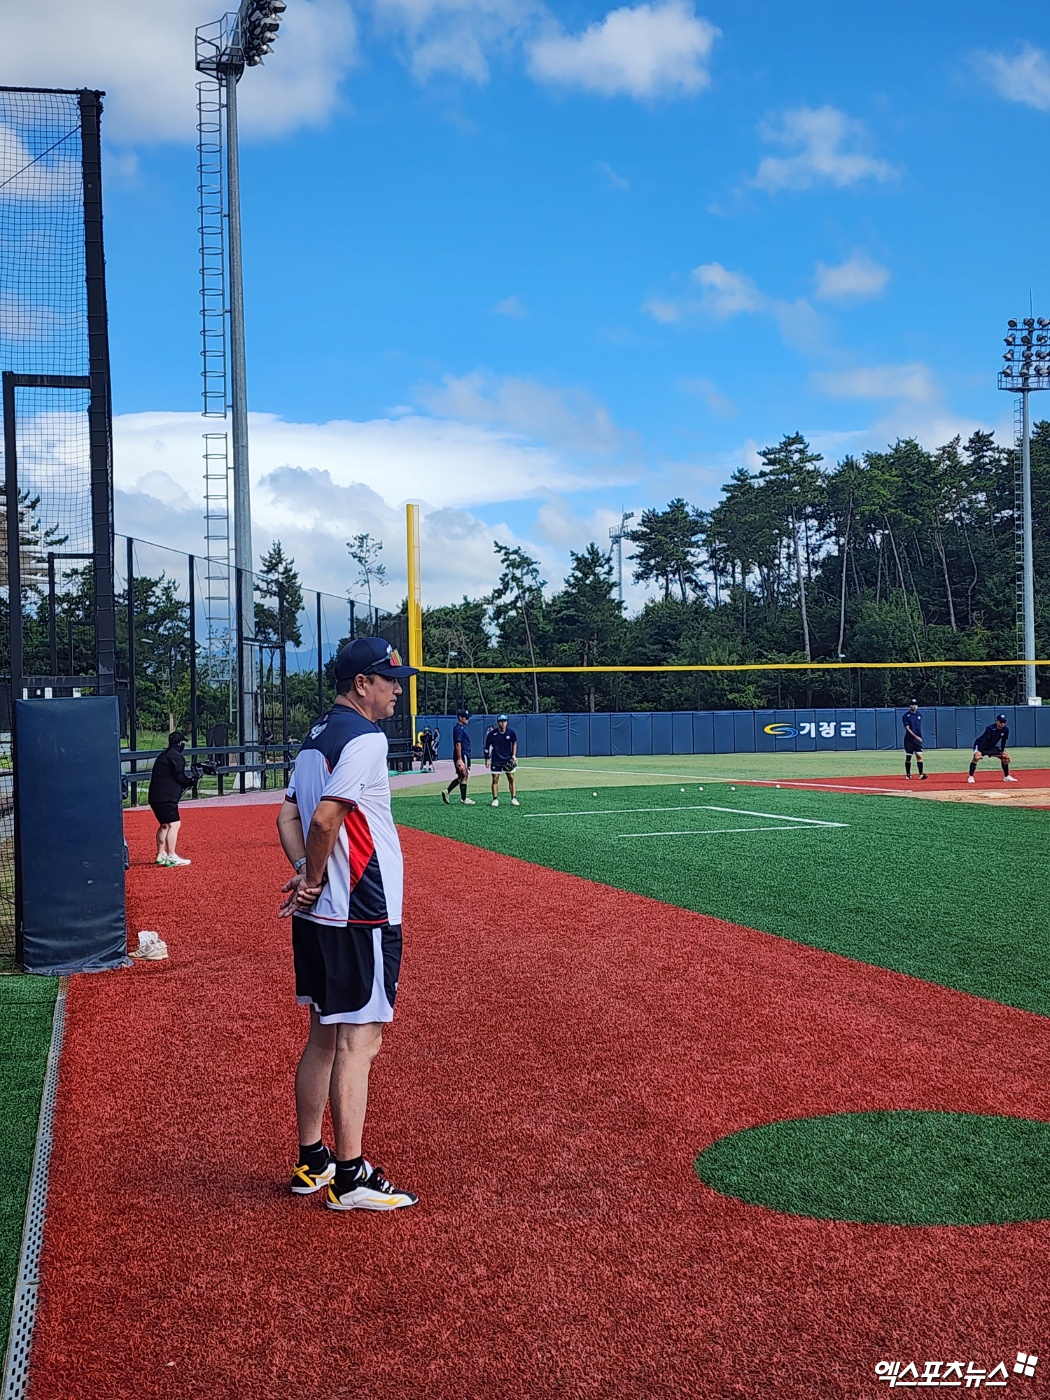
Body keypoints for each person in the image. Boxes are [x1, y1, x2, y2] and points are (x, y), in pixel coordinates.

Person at [276, 636, 419, 1212]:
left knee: (324, 1036)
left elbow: (288, 812)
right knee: (362, 1040)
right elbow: (326, 817)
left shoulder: (317, 736)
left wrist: (303, 876)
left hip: (320, 915)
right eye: (389, 679)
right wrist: (313, 873)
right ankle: (350, 1176)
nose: (397, 689)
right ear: (362, 684)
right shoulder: (364, 739)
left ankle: (314, 1162)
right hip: (361, 911)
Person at [147, 731, 196, 867]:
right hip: (166, 798)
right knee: (174, 824)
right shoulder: (176, 757)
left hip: (155, 797)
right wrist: (190, 781)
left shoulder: (163, 756)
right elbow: (180, 777)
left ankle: (160, 854)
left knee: (164, 825)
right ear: (180, 744)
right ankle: (172, 855)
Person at [968, 714, 1017, 784]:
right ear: (996, 721)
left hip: (991, 746)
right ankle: (971, 776)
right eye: (1001, 721)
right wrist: (979, 751)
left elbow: (1004, 741)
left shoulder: (1006, 730)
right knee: (976, 757)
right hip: (980, 744)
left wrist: (1002, 751)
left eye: (1004, 722)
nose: (1002, 723)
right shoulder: (990, 728)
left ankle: (1006, 776)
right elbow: (985, 740)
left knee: (1005, 757)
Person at [441, 708, 476, 805]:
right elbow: (458, 744)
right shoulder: (458, 729)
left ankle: (450, 792)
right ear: (460, 718)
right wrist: (460, 759)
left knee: (462, 776)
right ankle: (462, 798)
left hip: (465, 753)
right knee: (464, 775)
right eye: (466, 717)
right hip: (463, 754)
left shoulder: (461, 728)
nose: (467, 719)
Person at [484, 714, 520, 807]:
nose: (502, 723)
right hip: (496, 759)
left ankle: (514, 798)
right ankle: (495, 799)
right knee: (495, 779)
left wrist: (514, 755)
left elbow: (514, 743)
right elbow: (487, 747)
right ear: (498, 722)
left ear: (507, 722)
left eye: (504, 721)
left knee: (511, 778)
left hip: (508, 758)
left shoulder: (511, 733)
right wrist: (487, 759)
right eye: (501, 721)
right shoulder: (492, 734)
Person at [901, 700, 927, 781]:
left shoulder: (919, 715)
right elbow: (907, 728)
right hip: (909, 739)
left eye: (915, 705)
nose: (914, 706)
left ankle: (921, 774)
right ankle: (908, 774)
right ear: (909, 706)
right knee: (908, 757)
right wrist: (915, 736)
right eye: (912, 705)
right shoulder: (906, 716)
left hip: (918, 739)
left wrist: (918, 737)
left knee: (919, 755)